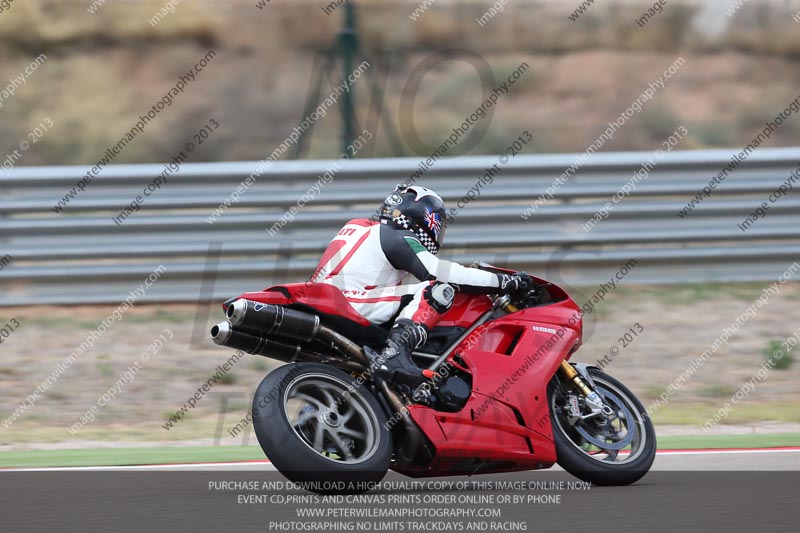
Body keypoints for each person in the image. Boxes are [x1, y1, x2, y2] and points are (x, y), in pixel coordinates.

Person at [311, 185, 532, 385]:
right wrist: (505, 281)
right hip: (349, 301)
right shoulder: (394, 234)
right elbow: (440, 272)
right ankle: (395, 355)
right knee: (437, 289)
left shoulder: (357, 227)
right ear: (424, 217)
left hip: (327, 298)